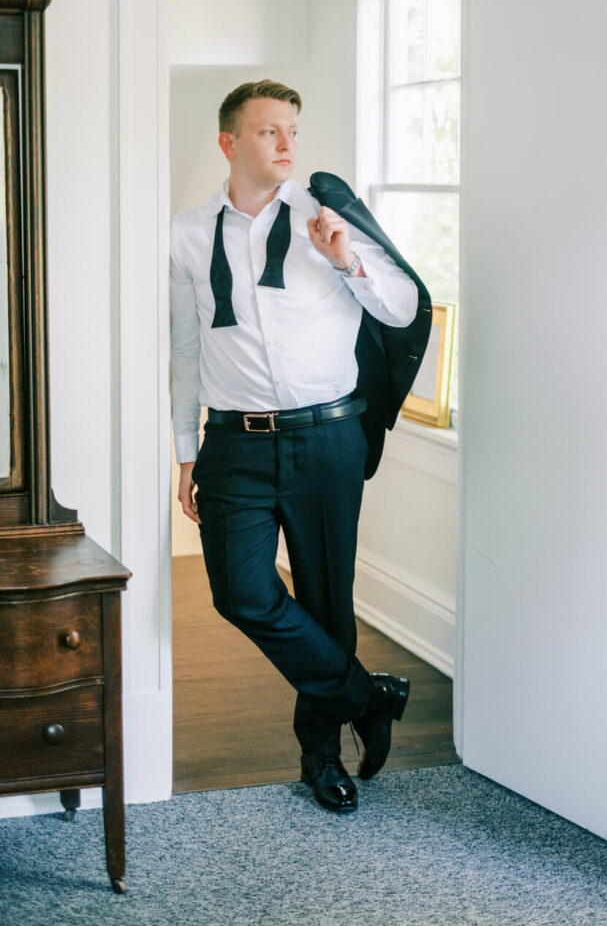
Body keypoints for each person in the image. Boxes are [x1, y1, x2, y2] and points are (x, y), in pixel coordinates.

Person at [170, 79, 426, 814]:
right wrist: (185, 452)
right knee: (242, 592)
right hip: (234, 445)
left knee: (324, 600)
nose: (286, 145)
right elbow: (186, 349)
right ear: (229, 143)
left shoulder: (324, 216)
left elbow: (405, 305)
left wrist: (348, 260)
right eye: (268, 132)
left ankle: (321, 759)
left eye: (292, 131)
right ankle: (365, 697)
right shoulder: (187, 234)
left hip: (327, 439)